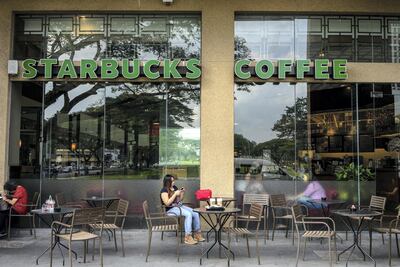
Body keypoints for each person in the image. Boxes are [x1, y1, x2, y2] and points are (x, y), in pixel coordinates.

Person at [160, 174, 204, 245]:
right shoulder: (164, 190)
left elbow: (179, 200)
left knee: (195, 212)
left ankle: (197, 234)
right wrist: (175, 194)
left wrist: (182, 193)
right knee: (188, 214)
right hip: (170, 210)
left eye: (174, 180)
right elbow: (167, 203)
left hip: (178, 206)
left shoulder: (174, 187)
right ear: (168, 182)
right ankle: (188, 237)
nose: (174, 182)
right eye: (172, 181)